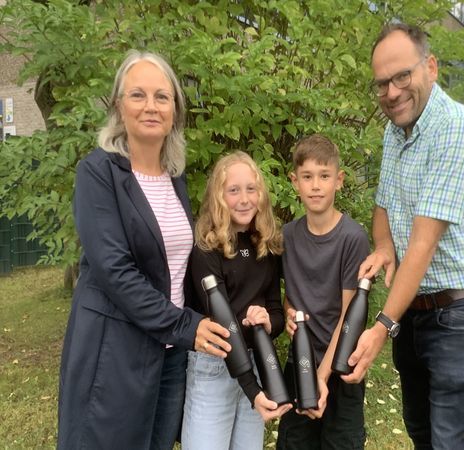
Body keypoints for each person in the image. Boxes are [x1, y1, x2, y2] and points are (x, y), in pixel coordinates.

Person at [341, 23, 464, 450]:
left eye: (401, 77)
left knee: (451, 443)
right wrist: (381, 245)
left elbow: (423, 243)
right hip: (413, 314)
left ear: (430, 66)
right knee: (423, 437)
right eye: (381, 84)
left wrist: (380, 327)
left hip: (460, 317)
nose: (391, 92)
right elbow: (383, 205)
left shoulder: (457, 127)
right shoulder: (396, 132)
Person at [58, 51, 209, 449]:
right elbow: (115, 272)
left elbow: (174, 264)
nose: (151, 106)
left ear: (174, 110)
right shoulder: (96, 173)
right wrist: (186, 325)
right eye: (138, 95)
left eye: (162, 97)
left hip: (170, 354)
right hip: (115, 352)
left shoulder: (174, 177)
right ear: (118, 105)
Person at [181, 151, 292, 450]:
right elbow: (223, 324)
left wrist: (269, 321)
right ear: (219, 196)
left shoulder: (266, 244)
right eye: (233, 190)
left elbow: (277, 313)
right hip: (213, 366)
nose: (244, 199)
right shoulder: (206, 247)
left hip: (254, 363)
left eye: (251, 189)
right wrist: (254, 390)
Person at [276, 134, 370, 450]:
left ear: (339, 180)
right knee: (295, 442)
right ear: (295, 182)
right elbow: (291, 294)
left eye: (324, 176)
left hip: (341, 367)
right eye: (307, 177)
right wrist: (289, 313)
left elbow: (349, 316)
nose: (316, 185)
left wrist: (321, 376)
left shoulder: (352, 238)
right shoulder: (287, 236)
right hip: (299, 366)